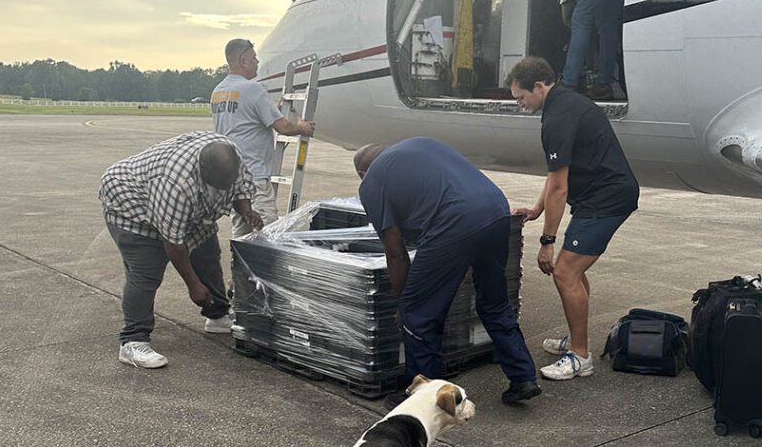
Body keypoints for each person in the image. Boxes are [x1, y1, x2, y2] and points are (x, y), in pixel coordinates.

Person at [354, 138, 541, 406]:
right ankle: (523, 377)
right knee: (494, 301)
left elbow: (396, 255)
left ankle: (425, 395)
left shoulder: (371, 182)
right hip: (496, 209)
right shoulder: (418, 146)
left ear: (362, 173)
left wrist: (406, 302)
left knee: (418, 314)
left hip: (455, 220)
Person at [506, 56, 639, 381]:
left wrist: (547, 242)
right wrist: (536, 211)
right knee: (574, 272)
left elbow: (559, 189)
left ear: (539, 86)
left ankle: (580, 356)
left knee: (564, 271)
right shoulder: (563, 104)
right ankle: (575, 338)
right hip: (599, 195)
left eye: (521, 97)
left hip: (606, 199)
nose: (520, 104)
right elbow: (556, 175)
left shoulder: (558, 117)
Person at [100, 132, 262, 369]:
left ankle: (217, 316)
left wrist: (246, 209)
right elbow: (173, 241)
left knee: (207, 255)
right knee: (147, 269)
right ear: (202, 169)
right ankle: (132, 341)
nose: (224, 190)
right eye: (219, 185)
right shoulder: (175, 183)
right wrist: (193, 285)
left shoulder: (230, 157)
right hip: (131, 203)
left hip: (190, 211)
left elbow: (239, 188)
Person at [211, 38, 315, 237]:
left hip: (233, 176)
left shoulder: (218, 92)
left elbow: (244, 119)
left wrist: (272, 110)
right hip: (254, 176)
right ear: (243, 61)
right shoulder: (253, 89)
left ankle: (240, 267)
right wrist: (302, 127)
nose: (257, 61)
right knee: (268, 232)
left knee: (242, 231)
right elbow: (283, 127)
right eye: (254, 57)